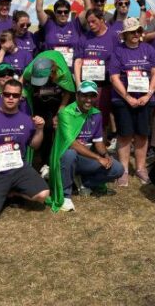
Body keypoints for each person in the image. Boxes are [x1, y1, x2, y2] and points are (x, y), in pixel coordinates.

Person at [0, 78, 49, 224]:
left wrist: (40, 130)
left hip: (19, 169)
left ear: (21, 98)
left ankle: (12, 192)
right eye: (7, 94)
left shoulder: (26, 120)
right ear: (1, 95)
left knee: (43, 194)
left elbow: (34, 145)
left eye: (15, 95)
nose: (11, 98)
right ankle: (1, 193)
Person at [47, 80, 124, 212]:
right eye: (84, 95)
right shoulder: (66, 113)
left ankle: (84, 183)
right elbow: (72, 144)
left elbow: (98, 142)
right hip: (67, 157)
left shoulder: (96, 114)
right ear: (77, 96)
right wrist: (98, 158)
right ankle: (66, 195)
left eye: (92, 96)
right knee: (69, 154)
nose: (88, 100)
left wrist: (106, 156)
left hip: (86, 158)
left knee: (117, 169)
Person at [109, 19, 155, 186]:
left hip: (145, 99)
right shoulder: (118, 51)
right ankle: (123, 170)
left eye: (138, 31)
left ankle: (140, 168)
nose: (136, 34)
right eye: (132, 32)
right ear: (125, 35)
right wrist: (127, 97)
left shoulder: (148, 49)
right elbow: (114, 77)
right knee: (124, 135)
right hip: (123, 100)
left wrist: (148, 94)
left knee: (142, 134)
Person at [22, 52, 75, 173]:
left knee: (55, 125)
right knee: (43, 126)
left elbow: (68, 92)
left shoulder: (63, 74)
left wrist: (59, 113)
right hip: (39, 98)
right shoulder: (30, 70)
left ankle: (57, 158)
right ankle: (44, 160)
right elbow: (22, 80)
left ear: (52, 72)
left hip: (57, 97)